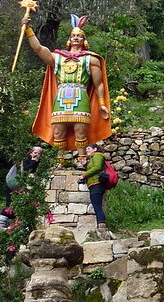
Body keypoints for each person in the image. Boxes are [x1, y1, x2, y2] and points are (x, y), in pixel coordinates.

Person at [23, 14, 112, 166]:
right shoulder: (58, 58)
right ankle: (59, 162)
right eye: (73, 36)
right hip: (61, 97)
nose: (76, 38)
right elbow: (38, 49)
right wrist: (29, 30)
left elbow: (99, 84)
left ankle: (82, 162)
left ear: (84, 40)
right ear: (69, 39)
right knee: (58, 133)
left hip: (81, 97)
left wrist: (102, 103)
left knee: (81, 132)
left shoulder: (91, 59)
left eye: (79, 36)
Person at [1, 146, 43, 228]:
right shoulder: (26, 159)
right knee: (10, 204)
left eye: (39, 153)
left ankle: (16, 225)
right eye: (35, 153)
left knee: (20, 205)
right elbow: (25, 170)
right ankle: (2, 223)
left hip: (20, 187)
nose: (37, 155)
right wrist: (34, 162)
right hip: (12, 186)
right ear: (31, 153)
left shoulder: (37, 161)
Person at [78, 143, 108, 229]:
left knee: (97, 204)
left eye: (89, 148)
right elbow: (93, 167)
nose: (87, 150)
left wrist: (84, 175)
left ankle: (101, 224)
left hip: (97, 183)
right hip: (93, 183)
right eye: (86, 149)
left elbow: (97, 167)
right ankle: (101, 223)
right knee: (96, 203)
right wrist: (85, 165)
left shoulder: (97, 155)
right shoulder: (92, 158)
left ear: (95, 149)